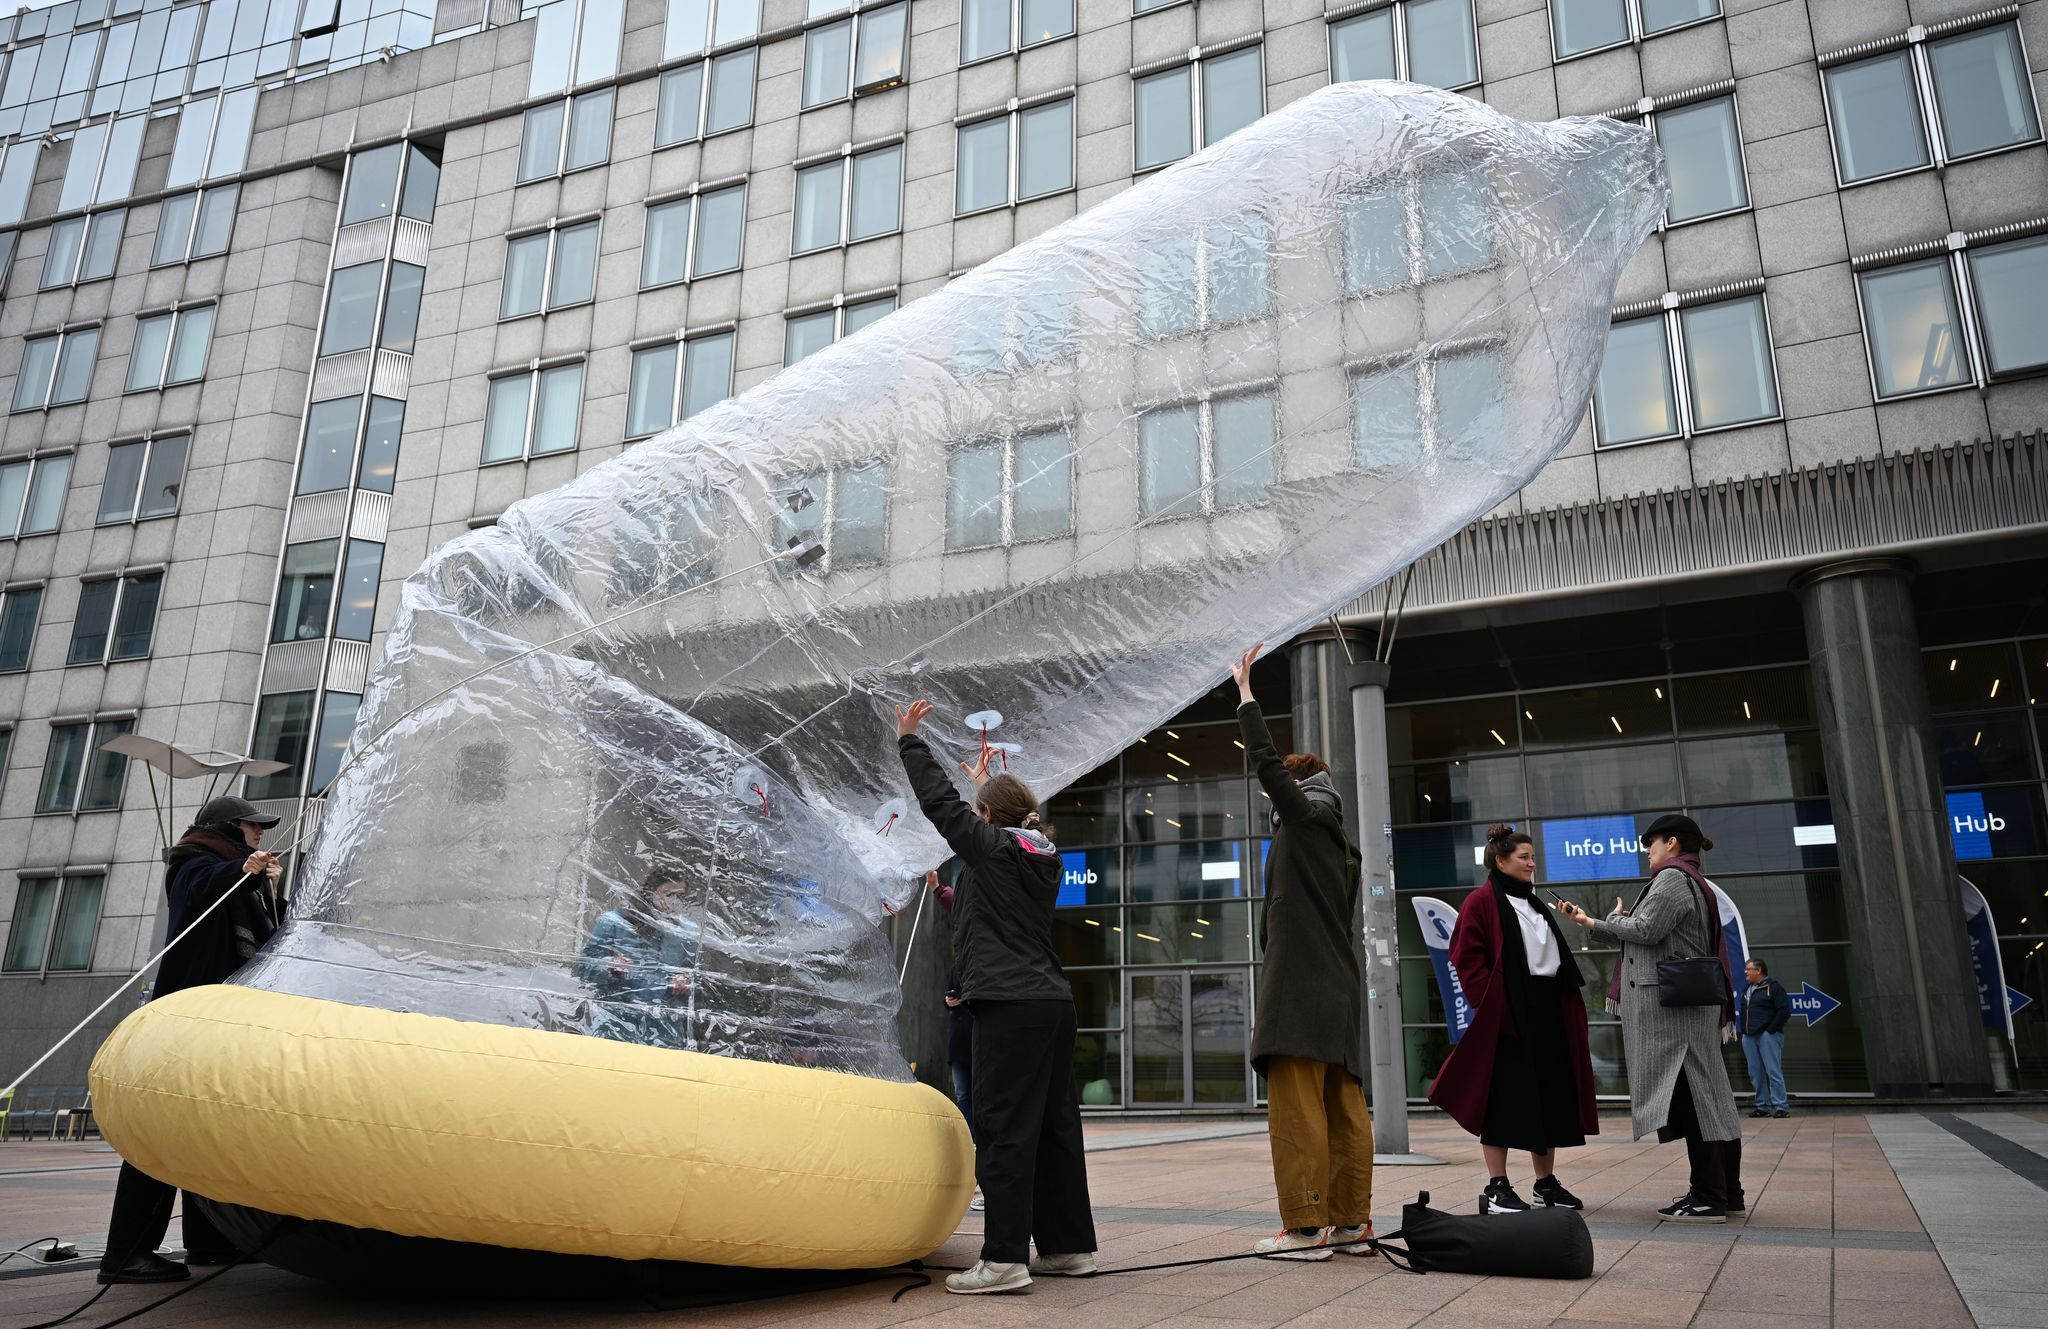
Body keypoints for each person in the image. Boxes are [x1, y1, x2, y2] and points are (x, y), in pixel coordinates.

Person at [896, 699, 1096, 1294]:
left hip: (1010, 1006)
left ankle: (1004, 1258)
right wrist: (986, 787)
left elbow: (941, 807)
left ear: (987, 819)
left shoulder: (994, 850)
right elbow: (996, 822)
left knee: (1002, 1126)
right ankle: (1068, 1249)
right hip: (1051, 1004)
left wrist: (911, 742)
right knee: (1055, 1127)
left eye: (981, 814)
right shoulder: (1042, 856)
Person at [98, 795, 283, 1285]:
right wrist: (241, 870)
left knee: (207, 1133)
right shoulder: (191, 863)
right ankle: (126, 1254)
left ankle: (210, 1239)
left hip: (220, 1021)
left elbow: (274, 934)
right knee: (162, 1131)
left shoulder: (237, 876)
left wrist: (268, 887)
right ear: (227, 827)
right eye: (252, 826)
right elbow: (199, 891)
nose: (260, 833)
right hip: (188, 1023)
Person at [1228, 644, 1374, 1262]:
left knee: (1296, 1109)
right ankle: (1350, 1222)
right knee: (1343, 1105)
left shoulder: (1306, 820)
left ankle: (1306, 1226)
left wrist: (1247, 698)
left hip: (1299, 984)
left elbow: (1268, 769)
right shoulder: (1342, 843)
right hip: (1337, 985)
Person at [1559, 814, 1744, 1223]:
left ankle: (1708, 1196)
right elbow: (1652, 930)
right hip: (1687, 1009)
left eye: (1651, 843)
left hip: (1673, 1013)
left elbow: (1646, 930)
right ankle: (1727, 1192)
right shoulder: (1691, 879)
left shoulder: (1672, 879)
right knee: (1711, 1100)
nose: (1647, 852)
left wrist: (1612, 920)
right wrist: (1591, 922)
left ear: (1672, 842)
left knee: (1697, 1102)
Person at [1427, 824, 1597, 1215]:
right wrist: (1491, 1004)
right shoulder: (1481, 902)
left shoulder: (1535, 903)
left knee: (1550, 1095)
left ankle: (1545, 1184)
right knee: (1501, 1099)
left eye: (1532, 857)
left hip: (1547, 1007)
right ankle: (1497, 1187)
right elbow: (1465, 956)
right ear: (1501, 861)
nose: (1531, 863)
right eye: (1524, 857)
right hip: (1508, 1011)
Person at [576, 864, 699, 1048]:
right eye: (669, 894)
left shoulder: (686, 931)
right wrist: (610, 965)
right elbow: (583, 965)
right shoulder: (614, 922)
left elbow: (696, 972)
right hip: (615, 1019)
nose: (674, 902)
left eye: (680, 896)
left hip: (664, 1025)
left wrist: (685, 980)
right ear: (650, 892)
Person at [928, 866, 985, 1212]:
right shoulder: (960, 961)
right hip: (960, 1042)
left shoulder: (981, 952)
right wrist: (937, 888)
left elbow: (963, 904)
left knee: (978, 1100)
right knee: (965, 1098)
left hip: (978, 1039)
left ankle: (982, 1170)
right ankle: (972, 1153)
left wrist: (940, 891)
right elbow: (959, 903)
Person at [1739, 958, 1790, 1119]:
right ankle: (1762, 1107)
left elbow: (1784, 1011)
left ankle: (1781, 1107)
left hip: (1768, 1036)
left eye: (1748, 969)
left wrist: (1770, 1030)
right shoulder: (1747, 989)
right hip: (1749, 1036)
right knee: (1755, 1073)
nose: (1745, 972)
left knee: (1773, 1072)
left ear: (1759, 970)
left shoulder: (1774, 987)